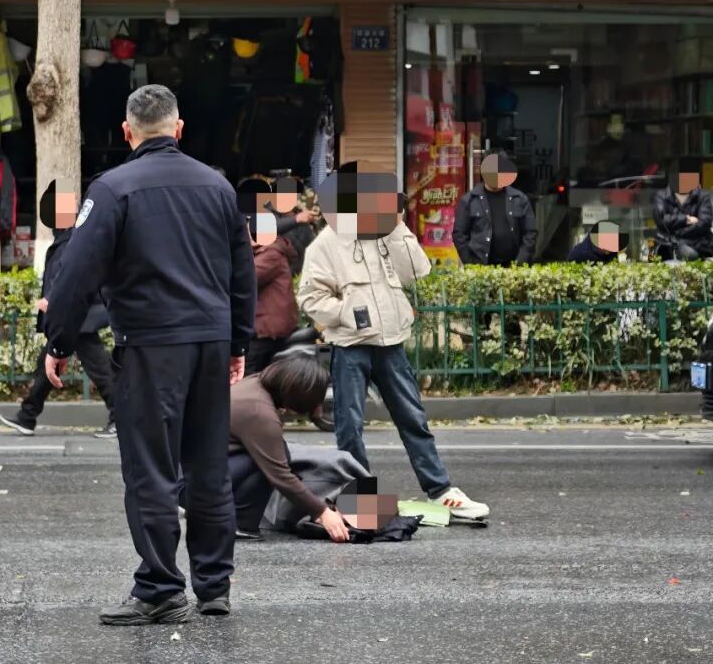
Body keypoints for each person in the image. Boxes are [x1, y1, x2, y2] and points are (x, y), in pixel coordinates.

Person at [42, 84, 256, 625]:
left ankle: (160, 586)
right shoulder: (218, 187)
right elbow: (241, 273)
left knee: (150, 470)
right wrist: (238, 343)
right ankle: (214, 584)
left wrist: (60, 341)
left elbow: (76, 275)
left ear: (127, 131)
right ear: (178, 129)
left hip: (150, 345)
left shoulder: (113, 189)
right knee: (208, 464)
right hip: (209, 342)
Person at [298, 162, 490, 522]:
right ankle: (356, 496)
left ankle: (441, 490)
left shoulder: (387, 232)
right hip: (350, 345)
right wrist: (347, 312)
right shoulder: (325, 243)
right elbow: (311, 298)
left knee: (412, 418)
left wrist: (398, 226)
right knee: (350, 426)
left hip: (391, 343)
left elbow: (418, 271)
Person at [0, 180, 118, 439]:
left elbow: (71, 276)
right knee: (48, 365)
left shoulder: (71, 238)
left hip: (79, 316)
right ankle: (27, 416)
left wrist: (52, 299)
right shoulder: (66, 236)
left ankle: (118, 417)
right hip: (73, 314)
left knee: (98, 368)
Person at [225, 356, 349, 542]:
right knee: (269, 462)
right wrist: (322, 512)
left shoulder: (255, 383)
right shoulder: (260, 413)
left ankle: (225, 516)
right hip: (192, 483)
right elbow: (280, 475)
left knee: (278, 452)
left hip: (193, 472)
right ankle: (238, 524)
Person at [453, 152, 537, 266]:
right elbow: (459, 235)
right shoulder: (469, 200)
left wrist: (519, 264)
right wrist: (471, 265)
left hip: (514, 269)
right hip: (480, 268)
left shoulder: (520, 199)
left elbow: (530, 233)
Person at [245, 215, 300, 375]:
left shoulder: (272, 254)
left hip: (267, 330)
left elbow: (245, 280)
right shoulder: (264, 253)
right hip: (265, 328)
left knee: (247, 376)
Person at [654, 159, 713, 261]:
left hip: (699, 246)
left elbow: (705, 222)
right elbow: (661, 221)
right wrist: (686, 219)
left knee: (690, 254)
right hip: (668, 248)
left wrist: (676, 233)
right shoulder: (661, 196)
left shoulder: (703, 196)